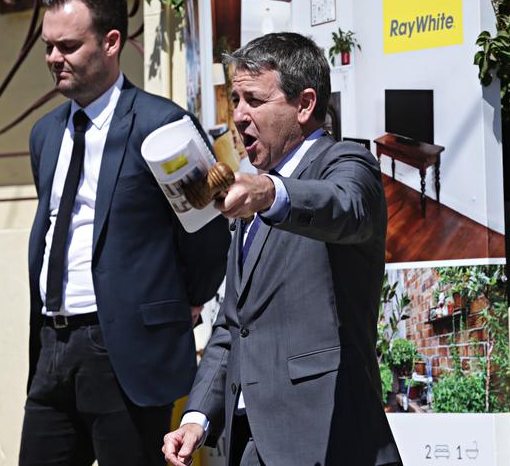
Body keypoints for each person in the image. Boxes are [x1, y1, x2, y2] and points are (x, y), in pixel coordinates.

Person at [163, 32, 402, 466]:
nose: (239, 115)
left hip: (329, 441)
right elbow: (232, 327)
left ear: (305, 105)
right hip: (247, 445)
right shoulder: (250, 193)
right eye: (235, 100)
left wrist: (271, 193)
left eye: (253, 100)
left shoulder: (345, 163)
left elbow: (345, 207)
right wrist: (196, 418)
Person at [20, 0, 230, 465]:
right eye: (48, 46)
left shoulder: (163, 126)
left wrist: (185, 303)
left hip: (126, 353)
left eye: (68, 46)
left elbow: (207, 234)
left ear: (111, 42)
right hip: (51, 345)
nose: (54, 58)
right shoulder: (44, 134)